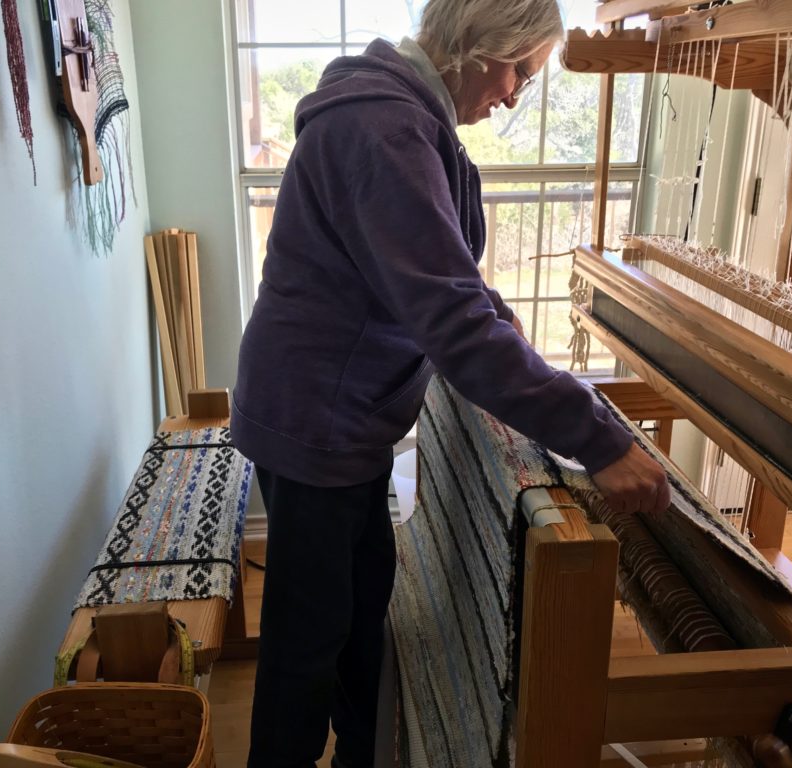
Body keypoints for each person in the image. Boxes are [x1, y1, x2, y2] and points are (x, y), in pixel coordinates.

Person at [231, 1, 671, 766]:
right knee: (309, 641)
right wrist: (597, 437)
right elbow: (454, 324)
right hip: (317, 423)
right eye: (518, 73)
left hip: (340, 416)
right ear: (474, 45)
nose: (511, 97)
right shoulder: (385, 131)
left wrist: (514, 345)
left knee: (362, 608)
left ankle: (365, 753)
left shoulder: (404, 116)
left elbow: (451, 281)